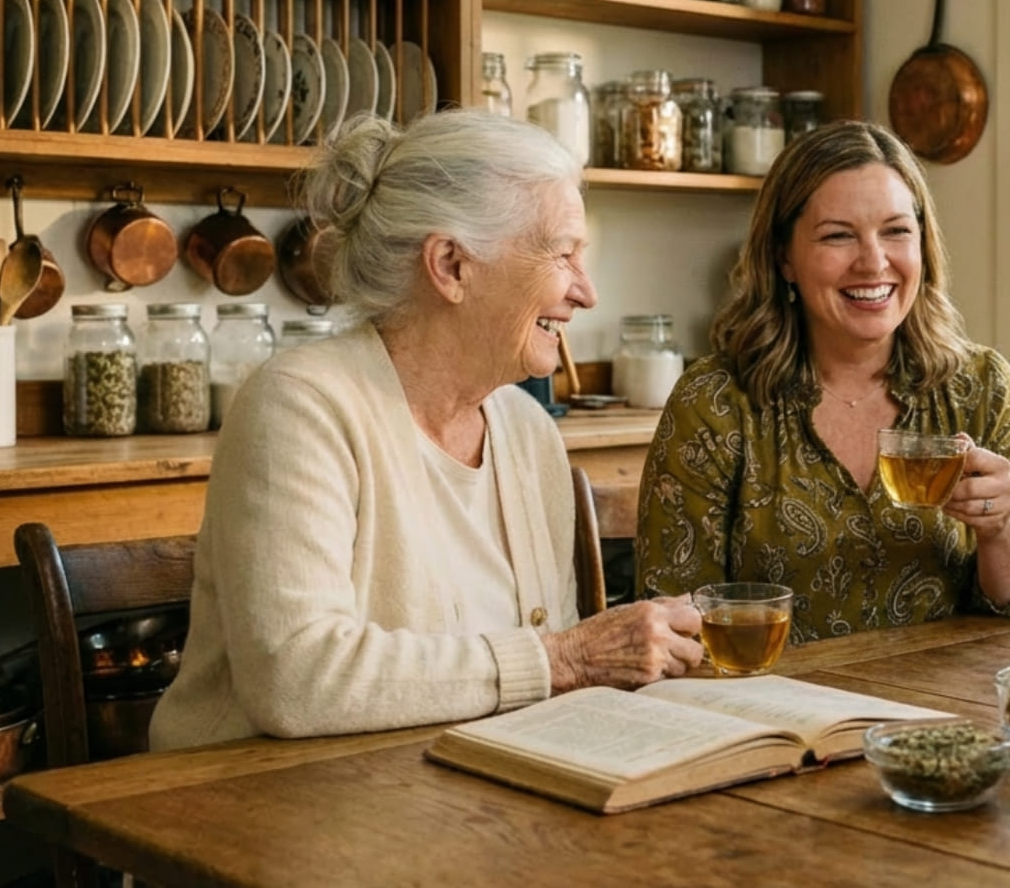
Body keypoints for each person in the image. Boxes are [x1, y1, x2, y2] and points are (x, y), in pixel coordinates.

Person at [150, 111, 704, 750]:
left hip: (455, 799)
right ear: (451, 265)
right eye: (563, 254)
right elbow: (294, 678)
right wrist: (568, 658)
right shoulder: (300, 406)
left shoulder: (526, 430)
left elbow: (543, 689)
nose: (587, 292)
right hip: (265, 809)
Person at [635, 120, 1010, 641]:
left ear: (923, 245)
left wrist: (998, 529)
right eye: (838, 236)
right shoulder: (716, 402)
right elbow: (670, 620)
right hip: (775, 713)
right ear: (784, 257)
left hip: (944, 714)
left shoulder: (982, 387)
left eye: (896, 231)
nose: (874, 262)